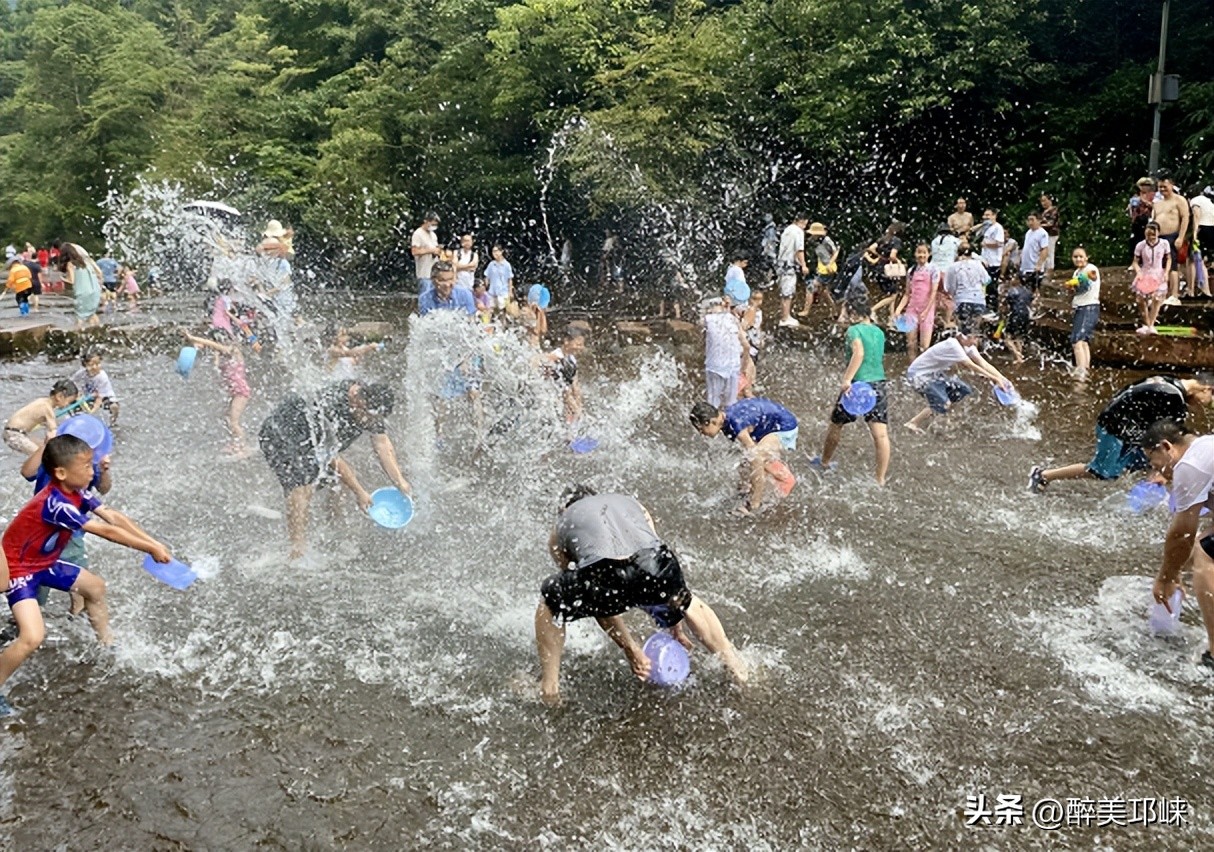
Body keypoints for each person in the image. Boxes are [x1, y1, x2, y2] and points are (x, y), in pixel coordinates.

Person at [0, 434, 172, 716]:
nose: (92, 471)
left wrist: (153, 542)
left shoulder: (77, 492)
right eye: (86, 467)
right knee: (32, 637)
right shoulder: (56, 504)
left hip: (44, 561)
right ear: (61, 472)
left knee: (95, 588)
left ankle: (107, 645)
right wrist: (148, 548)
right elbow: (105, 531)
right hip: (20, 570)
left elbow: (113, 517)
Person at [534, 485, 748, 705]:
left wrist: (631, 649)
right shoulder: (630, 503)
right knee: (688, 600)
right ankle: (736, 667)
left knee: (550, 601)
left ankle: (549, 688)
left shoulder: (561, 525)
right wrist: (673, 621)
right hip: (655, 564)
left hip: (603, 573)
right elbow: (652, 568)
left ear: (563, 508)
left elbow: (594, 600)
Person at [258, 380, 412, 559]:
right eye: (369, 418)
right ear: (357, 402)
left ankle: (334, 531)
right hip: (282, 433)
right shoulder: (331, 406)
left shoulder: (370, 403)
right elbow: (332, 457)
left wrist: (399, 481)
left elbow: (382, 444)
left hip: (314, 441)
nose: (371, 423)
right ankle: (297, 552)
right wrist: (360, 492)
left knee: (336, 480)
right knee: (301, 487)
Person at [1028, 374, 1213, 493]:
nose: (1206, 404)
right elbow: (1173, 437)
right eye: (1211, 399)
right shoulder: (1174, 398)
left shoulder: (1169, 381)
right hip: (1114, 429)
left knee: (1145, 461)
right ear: (1207, 389)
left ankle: (1147, 490)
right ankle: (1043, 475)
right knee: (1101, 472)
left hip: (1125, 426)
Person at [1141, 420, 1214, 672]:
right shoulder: (1205, 447)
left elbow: (1182, 531)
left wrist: (1166, 577)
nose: (1159, 472)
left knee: (1206, 551)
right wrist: (1178, 571)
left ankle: (1213, 654)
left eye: (1155, 462)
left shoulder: (1188, 465)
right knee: (1201, 543)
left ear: (1166, 447)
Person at [816, 298, 890, 485]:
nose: (845, 318)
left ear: (855, 314)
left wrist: (847, 379)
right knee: (880, 435)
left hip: (857, 386)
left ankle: (824, 462)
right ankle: (880, 479)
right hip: (879, 384)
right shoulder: (879, 332)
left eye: (847, 314)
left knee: (836, 424)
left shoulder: (853, 330)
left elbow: (859, 353)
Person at [689, 397, 799, 513]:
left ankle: (755, 503)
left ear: (712, 422)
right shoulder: (725, 420)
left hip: (785, 427)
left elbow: (755, 458)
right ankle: (746, 491)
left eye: (701, 429)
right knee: (748, 458)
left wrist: (754, 502)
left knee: (756, 457)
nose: (701, 434)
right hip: (768, 427)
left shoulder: (735, 424)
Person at [903, 332, 1011, 433]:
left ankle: (944, 418)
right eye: (974, 338)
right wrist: (994, 379)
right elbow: (970, 365)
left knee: (963, 390)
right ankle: (912, 423)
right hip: (918, 376)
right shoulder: (953, 345)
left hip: (934, 374)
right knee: (944, 403)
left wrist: (1003, 379)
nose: (975, 342)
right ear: (963, 337)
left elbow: (983, 363)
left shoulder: (968, 347)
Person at [181, 330, 252, 454]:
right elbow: (216, 364)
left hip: (240, 392)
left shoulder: (233, 350)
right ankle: (234, 442)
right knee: (226, 419)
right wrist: (206, 350)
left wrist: (193, 338)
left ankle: (243, 447)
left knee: (234, 421)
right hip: (233, 392)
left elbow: (212, 345)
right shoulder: (223, 354)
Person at [892, 243, 942, 360]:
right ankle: (912, 368)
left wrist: (926, 311)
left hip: (927, 310)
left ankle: (923, 370)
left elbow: (933, 293)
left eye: (924, 252)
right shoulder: (911, 271)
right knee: (911, 343)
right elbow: (907, 294)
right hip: (912, 309)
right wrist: (898, 310)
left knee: (924, 346)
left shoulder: (933, 269)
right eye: (919, 252)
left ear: (928, 254)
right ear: (915, 254)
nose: (921, 255)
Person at [4, 380, 78, 455]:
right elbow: (52, 433)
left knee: (41, 447)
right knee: (40, 456)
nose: (68, 405)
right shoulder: (47, 408)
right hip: (14, 435)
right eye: (69, 402)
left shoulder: (42, 401)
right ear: (59, 396)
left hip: (14, 432)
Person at [702, 294, 746, 410]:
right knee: (731, 403)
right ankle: (730, 425)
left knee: (713, 401)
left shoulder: (707, 320)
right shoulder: (733, 319)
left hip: (715, 366)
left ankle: (711, 423)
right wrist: (745, 364)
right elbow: (745, 344)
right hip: (733, 366)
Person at [1152, 176, 1189, 305]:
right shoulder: (1157, 203)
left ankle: (1174, 294)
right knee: (1159, 267)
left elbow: (1185, 218)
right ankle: (1163, 293)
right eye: (1160, 187)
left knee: (1172, 266)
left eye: (1165, 186)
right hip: (1157, 237)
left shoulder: (1179, 200)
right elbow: (1153, 220)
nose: (1162, 189)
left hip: (1172, 236)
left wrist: (1181, 237)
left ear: (1172, 185)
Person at [540, 326, 588, 425]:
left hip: (564, 400)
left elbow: (575, 384)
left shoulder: (571, 359)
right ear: (566, 341)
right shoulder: (556, 358)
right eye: (578, 344)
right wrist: (575, 408)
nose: (581, 348)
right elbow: (563, 389)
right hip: (551, 400)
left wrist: (579, 405)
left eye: (582, 345)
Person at [1066, 246, 1101, 379]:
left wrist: (1081, 279)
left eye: (1081, 256)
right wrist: (1071, 287)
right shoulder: (1076, 273)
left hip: (1089, 307)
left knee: (1077, 340)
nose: (1078, 259)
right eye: (1075, 257)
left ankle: (1080, 371)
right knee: (1084, 341)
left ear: (1087, 257)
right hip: (1081, 307)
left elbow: (1092, 276)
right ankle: (1085, 368)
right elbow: (1077, 290)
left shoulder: (1090, 269)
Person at [943, 244, 991, 336]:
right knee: (974, 333)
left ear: (957, 253)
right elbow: (987, 280)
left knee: (963, 333)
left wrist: (954, 295)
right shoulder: (978, 264)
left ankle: (964, 349)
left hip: (962, 301)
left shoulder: (953, 267)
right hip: (979, 301)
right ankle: (975, 349)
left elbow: (949, 288)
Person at [1132, 221, 1170, 335]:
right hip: (1145, 272)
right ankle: (1147, 322)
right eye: (1148, 234)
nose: (1151, 237)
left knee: (1157, 299)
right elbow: (1135, 262)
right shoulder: (1141, 245)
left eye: (1153, 234)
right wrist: (1138, 272)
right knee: (1140, 299)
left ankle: (1152, 324)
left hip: (1158, 272)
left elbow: (1168, 258)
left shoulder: (1164, 243)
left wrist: (1166, 272)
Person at [775, 214, 810, 327]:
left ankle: (784, 315)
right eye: (805, 224)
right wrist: (803, 265)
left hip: (781, 264)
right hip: (789, 265)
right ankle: (785, 318)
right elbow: (800, 250)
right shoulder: (798, 232)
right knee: (788, 292)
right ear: (802, 221)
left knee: (784, 291)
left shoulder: (787, 229)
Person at [72, 347, 120, 425]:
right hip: (90, 396)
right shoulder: (82, 373)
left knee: (114, 407)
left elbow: (99, 398)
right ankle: (76, 420)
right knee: (75, 402)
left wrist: (92, 412)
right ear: (85, 365)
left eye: (97, 364)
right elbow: (72, 382)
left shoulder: (102, 377)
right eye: (91, 365)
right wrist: (77, 393)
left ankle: (113, 422)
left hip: (105, 397)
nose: (94, 367)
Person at [797, 222, 836, 317]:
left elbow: (836, 251)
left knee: (810, 287)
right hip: (821, 268)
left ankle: (806, 311)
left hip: (827, 269)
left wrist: (830, 263)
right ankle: (834, 311)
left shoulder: (826, 240)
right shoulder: (815, 240)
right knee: (824, 292)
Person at [61, 243, 102, 330]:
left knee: (80, 318)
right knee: (92, 315)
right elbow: (99, 273)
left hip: (82, 294)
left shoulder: (70, 264)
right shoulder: (86, 262)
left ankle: (78, 338)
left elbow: (71, 282)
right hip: (95, 292)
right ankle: (98, 334)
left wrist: (63, 280)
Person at [1188, 185, 1214, 297]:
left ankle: (1199, 289)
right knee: (1206, 260)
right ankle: (1205, 289)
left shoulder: (1195, 201)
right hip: (1212, 229)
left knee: (1196, 259)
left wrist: (1194, 233)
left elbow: (1197, 215)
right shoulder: (1209, 201)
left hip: (1202, 228)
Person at [978, 209, 1005, 311]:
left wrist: (986, 244)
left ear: (994, 216)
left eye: (988, 215)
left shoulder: (998, 228)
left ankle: (993, 307)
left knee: (992, 286)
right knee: (985, 284)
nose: (986, 217)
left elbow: (999, 243)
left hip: (994, 261)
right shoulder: (987, 227)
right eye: (985, 215)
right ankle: (986, 305)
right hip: (985, 261)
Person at [1019, 213, 1050, 303]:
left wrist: (1039, 264)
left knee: (1034, 290)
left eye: (1032, 220)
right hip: (1025, 266)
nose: (1030, 222)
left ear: (1039, 220)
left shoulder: (1042, 233)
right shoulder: (1028, 232)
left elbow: (1044, 249)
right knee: (1025, 290)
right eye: (1028, 220)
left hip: (1034, 267)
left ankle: (1035, 308)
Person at [1127, 177, 1156, 268]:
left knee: (1149, 241)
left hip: (1149, 220)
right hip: (1137, 221)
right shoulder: (1135, 197)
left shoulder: (1154, 196)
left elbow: (1155, 206)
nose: (1144, 187)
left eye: (1147, 185)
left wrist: (1145, 202)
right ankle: (1135, 261)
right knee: (1135, 242)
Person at [411, 212, 442, 294]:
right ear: (426, 221)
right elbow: (414, 251)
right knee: (425, 296)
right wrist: (430, 250)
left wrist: (437, 251)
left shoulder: (433, 235)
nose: (434, 226)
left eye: (435, 225)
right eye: (432, 224)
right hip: (424, 273)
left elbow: (435, 249)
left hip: (434, 273)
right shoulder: (418, 234)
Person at [483, 245, 514, 314]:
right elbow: (487, 276)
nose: (494, 253)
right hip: (492, 292)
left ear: (501, 251)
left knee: (503, 311)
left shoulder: (506, 265)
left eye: (496, 251)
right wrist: (486, 287)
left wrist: (510, 292)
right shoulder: (491, 264)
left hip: (503, 292)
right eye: (493, 252)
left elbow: (510, 279)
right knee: (490, 310)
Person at [1039, 193, 1060, 273]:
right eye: (1042, 201)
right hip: (1044, 235)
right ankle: (1043, 271)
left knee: (1049, 253)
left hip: (1051, 234)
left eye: (1045, 200)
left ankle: (1049, 272)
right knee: (1043, 252)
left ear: (1050, 200)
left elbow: (1051, 223)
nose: (1043, 203)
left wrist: (1039, 226)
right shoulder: (1044, 212)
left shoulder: (1054, 210)